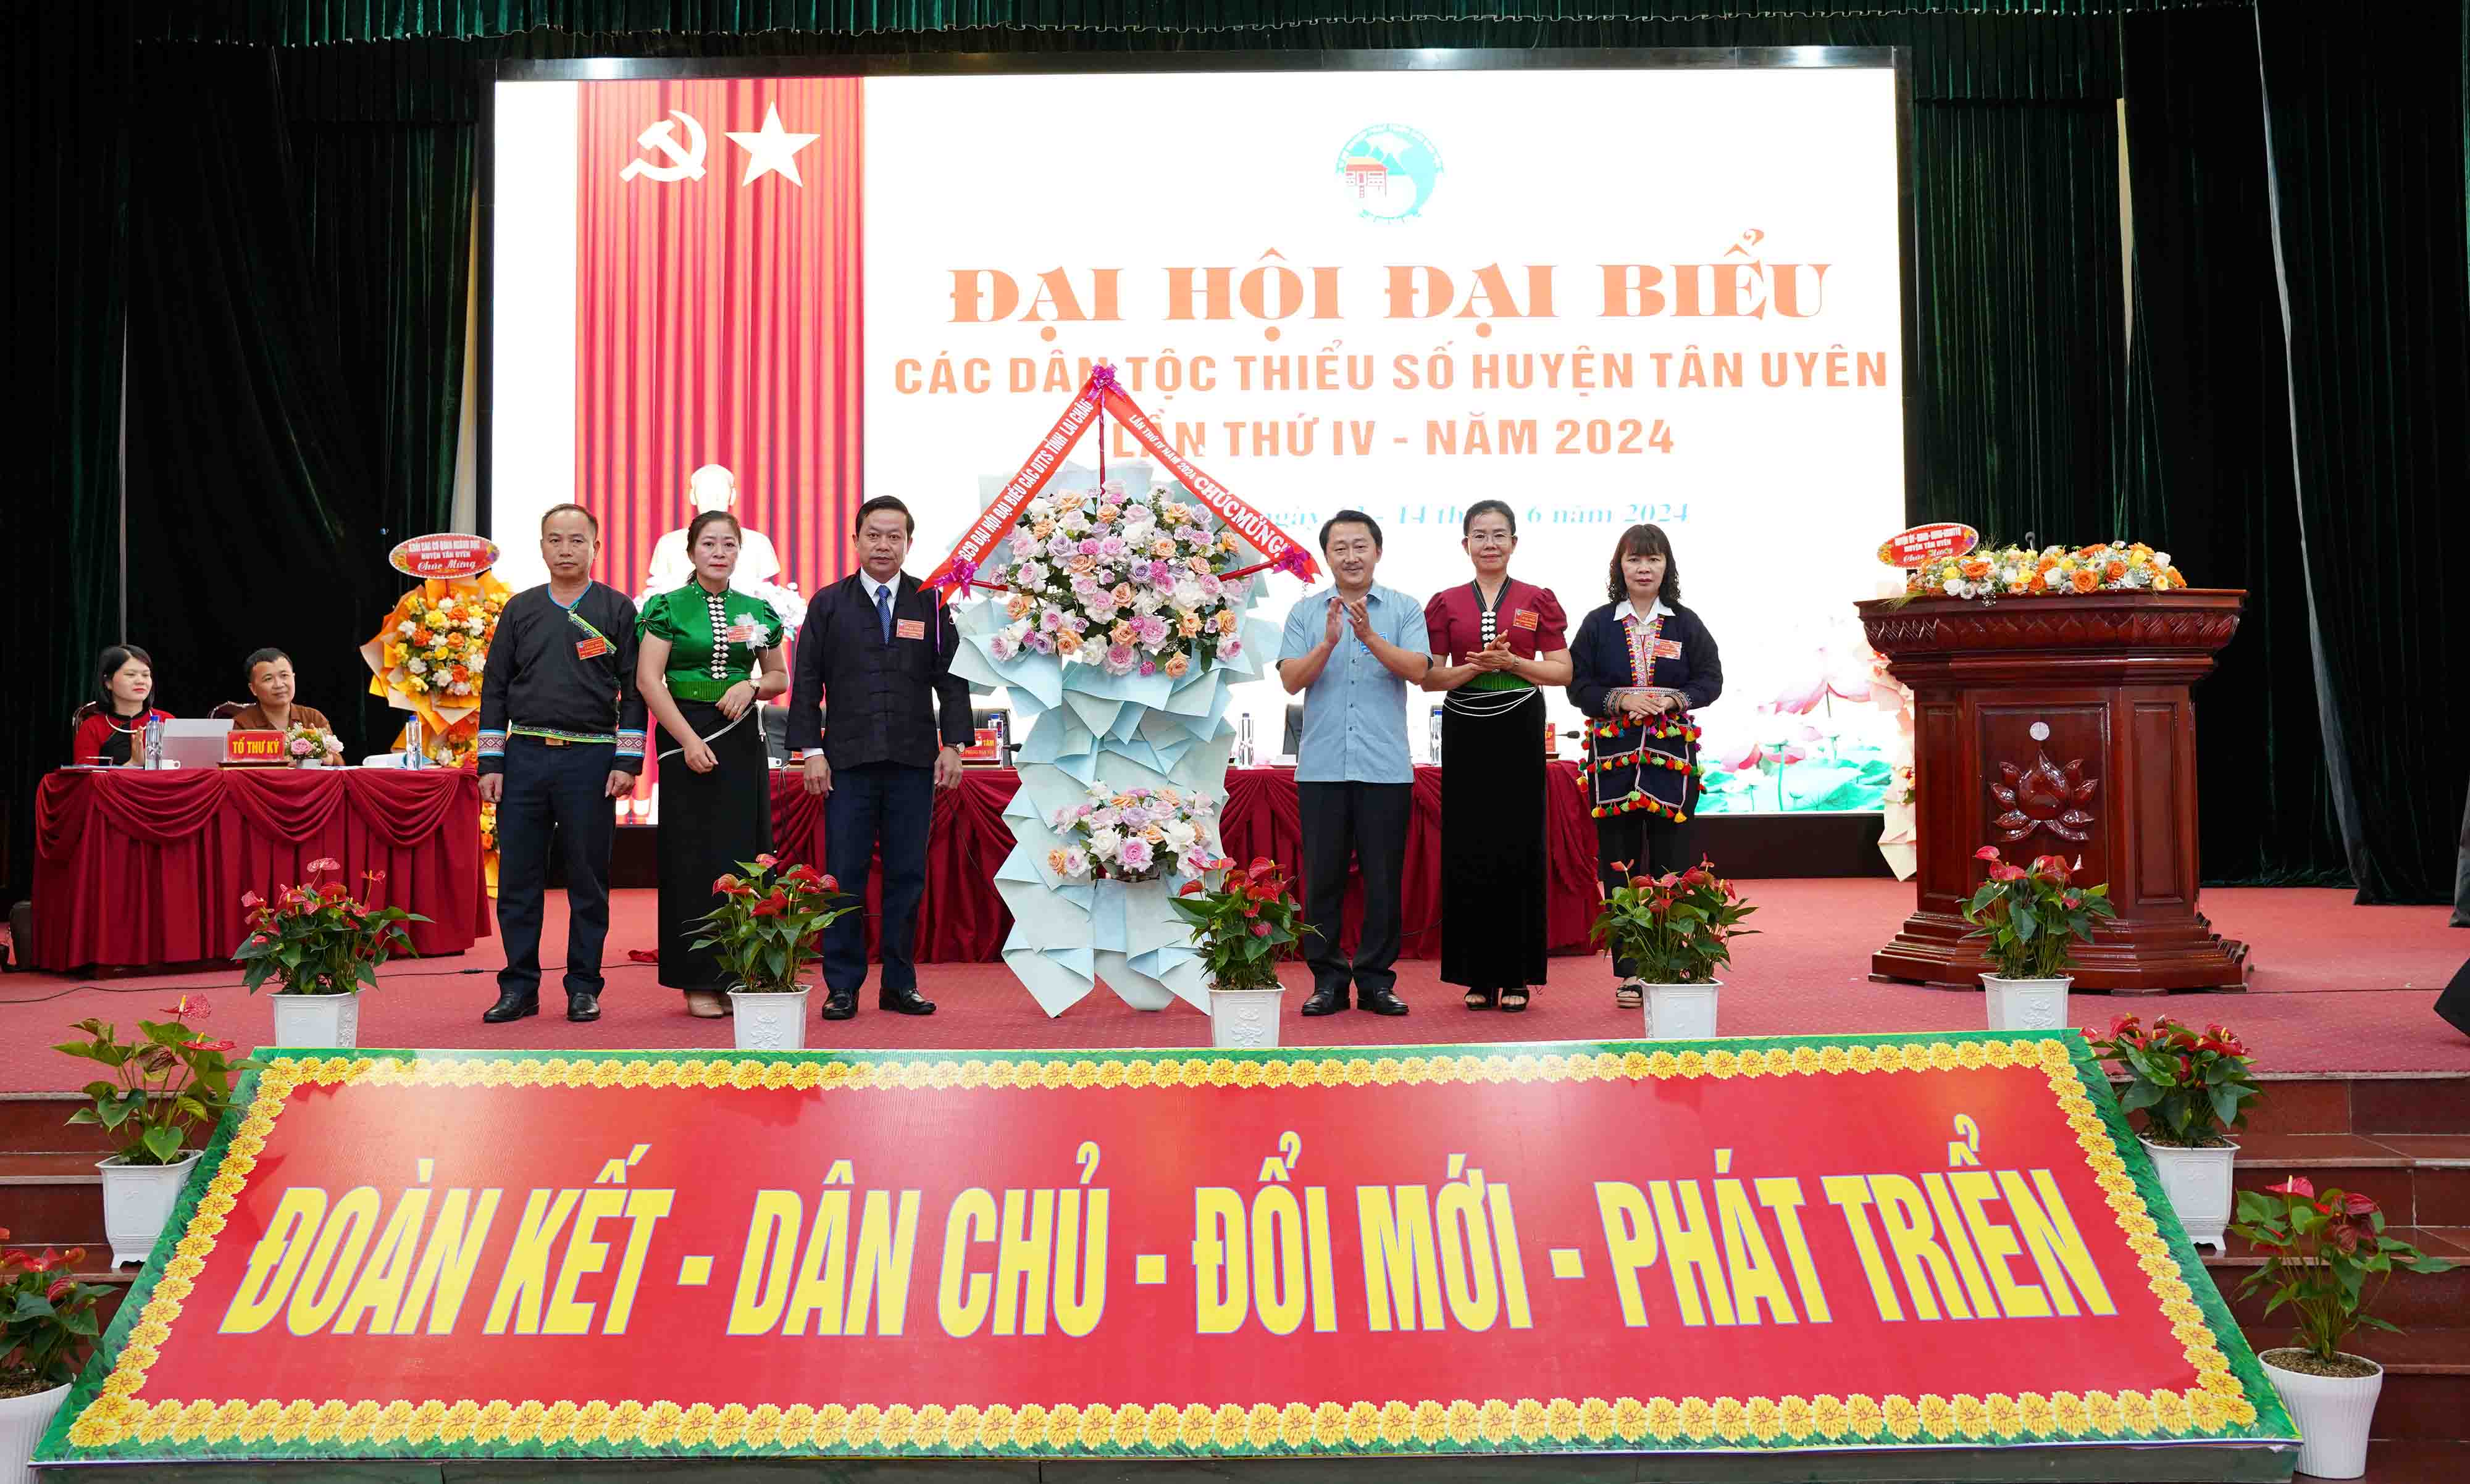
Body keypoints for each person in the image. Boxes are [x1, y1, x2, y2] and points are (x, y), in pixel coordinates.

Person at [787, 495, 971, 1021]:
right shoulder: (828, 603)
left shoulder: (930, 602)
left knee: (907, 875)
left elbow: (953, 681)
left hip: (913, 762)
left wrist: (955, 745)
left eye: (895, 536)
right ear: (856, 540)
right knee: (843, 876)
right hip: (845, 763)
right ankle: (842, 986)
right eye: (874, 534)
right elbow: (806, 683)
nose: (884, 544)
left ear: (908, 543)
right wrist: (812, 751)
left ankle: (899, 983)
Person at [475, 504, 647, 1025]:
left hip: (592, 762)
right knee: (520, 879)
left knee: (587, 879)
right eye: (555, 539)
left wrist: (628, 760)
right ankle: (518, 987)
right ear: (542, 547)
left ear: (597, 546)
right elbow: (495, 688)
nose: (566, 549)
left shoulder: (618, 610)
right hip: (524, 758)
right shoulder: (520, 609)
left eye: (577, 540)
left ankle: (583, 987)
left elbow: (635, 692)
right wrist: (491, 761)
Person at [637, 511, 790, 1019]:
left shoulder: (756, 610)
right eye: (709, 544)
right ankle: (695, 980)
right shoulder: (668, 607)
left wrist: (751, 686)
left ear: (739, 551)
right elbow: (648, 681)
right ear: (691, 551)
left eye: (728, 544)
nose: (719, 552)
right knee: (691, 858)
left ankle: (741, 973)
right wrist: (687, 740)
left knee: (741, 853)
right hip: (686, 735)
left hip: (740, 734)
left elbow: (777, 677)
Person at [1421, 500, 1572, 1012]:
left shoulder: (1537, 598)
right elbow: (1429, 677)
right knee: (1468, 843)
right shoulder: (1445, 602)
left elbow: (1563, 672)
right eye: (1479, 535)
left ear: (1514, 542)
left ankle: (1517, 975)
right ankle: (1476, 975)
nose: (1489, 543)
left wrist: (1513, 662)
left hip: (1520, 721)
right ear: (1465, 544)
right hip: (1465, 722)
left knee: (1520, 842)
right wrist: (1474, 668)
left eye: (1499, 534)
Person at [1276, 511, 1428, 1017]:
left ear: (1378, 552)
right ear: (1327, 557)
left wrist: (1370, 639)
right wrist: (1329, 643)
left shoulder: (1405, 609)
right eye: (1339, 547)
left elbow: (1420, 670)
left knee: (1384, 880)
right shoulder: (1305, 613)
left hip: (1385, 768)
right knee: (1323, 881)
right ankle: (1328, 983)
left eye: (1360, 546)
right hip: (1321, 769)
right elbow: (1292, 681)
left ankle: (1377, 982)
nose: (1351, 556)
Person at [1568, 523, 1725, 1008]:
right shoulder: (1598, 623)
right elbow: (1579, 687)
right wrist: (1621, 701)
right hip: (1612, 768)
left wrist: (1672, 700)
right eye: (1635, 559)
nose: (1643, 568)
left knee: (1671, 865)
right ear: (1620, 566)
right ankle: (1632, 973)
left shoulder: (1684, 622)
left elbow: (1711, 680)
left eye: (1653, 559)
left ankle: (1671, 965)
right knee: (1620, 869)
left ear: (1666, 567)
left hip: (1672, 766)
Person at [643, 464, 786, 597]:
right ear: (692, 496)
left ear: (733, 496)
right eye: (705, 491)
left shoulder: (759, 543)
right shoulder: (668, 544)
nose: (713, 497)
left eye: (720, 491)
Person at [72, 646, 173, 765]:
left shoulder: (167, 721)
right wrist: (133, 764)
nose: (141, 681)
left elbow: (183, 772)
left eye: (146, 675)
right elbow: (85, 780)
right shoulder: (92, 727)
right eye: (131, 675)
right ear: (108, 682)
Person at [228, 649, 332, 735]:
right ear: (253, 689)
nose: (279, 684)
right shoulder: (241, 725)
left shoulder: (313, 718)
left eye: (284, 675)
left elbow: (338, 759)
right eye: (268, 679)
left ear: (294, 678)